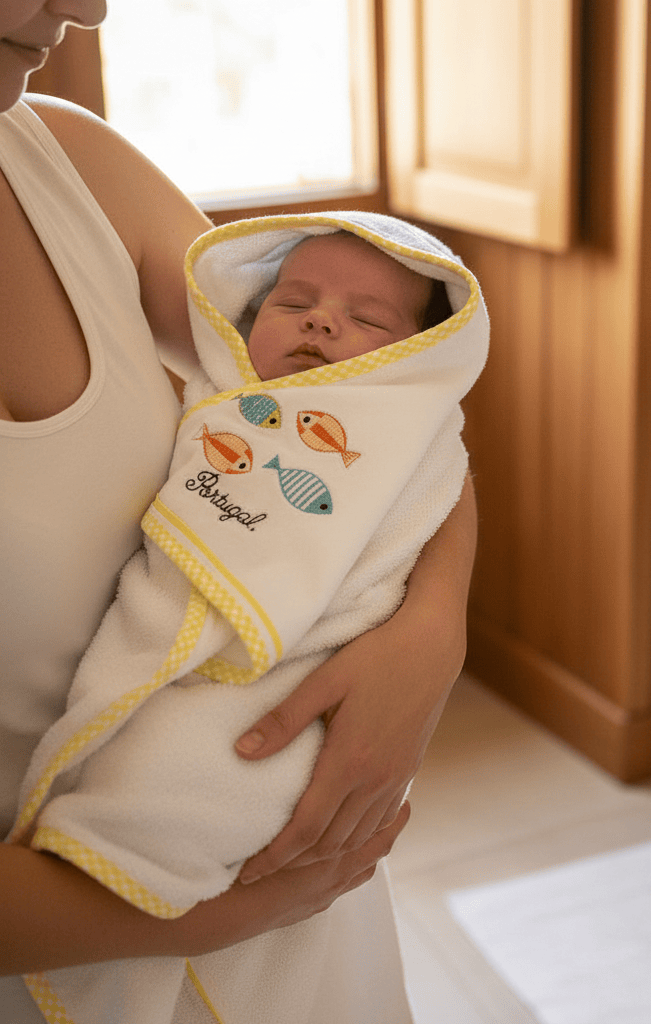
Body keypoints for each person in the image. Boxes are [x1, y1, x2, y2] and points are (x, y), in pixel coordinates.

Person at [1, 2, 478, 1021]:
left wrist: (431, 630)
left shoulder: (69, 165)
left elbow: (380, 407)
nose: (85, 10)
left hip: (287, 891)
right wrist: (205, 917)